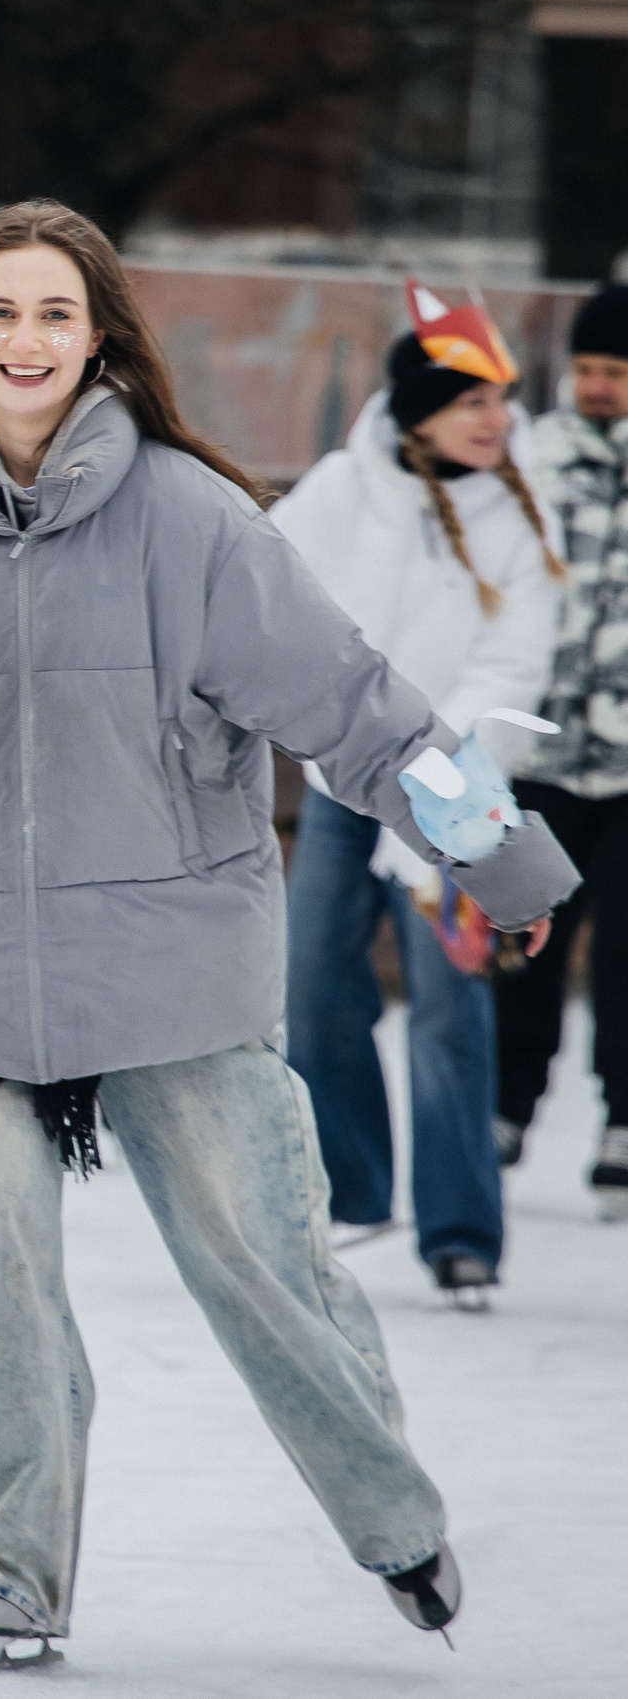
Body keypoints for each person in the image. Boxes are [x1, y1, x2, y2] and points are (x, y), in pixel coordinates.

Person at [0, 199, 579, 1667]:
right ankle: (14, 1566)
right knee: (7, 1283)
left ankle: (392, 1514)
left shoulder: (191, 518)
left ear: (102, 334)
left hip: (176, 965)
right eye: (2, 312)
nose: (26, 339)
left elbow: (360, 709)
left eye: (57, 313)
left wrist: (498, 848)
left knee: (267, 1271)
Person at [277, 292, 563, 1302]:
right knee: (310, 982)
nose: (492, 419)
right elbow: (266, 598)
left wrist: (435, 782)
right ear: (416, 410)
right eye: (467, 401)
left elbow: (512, 662)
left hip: (456, 799)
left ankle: (459, 1230)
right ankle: (348, 1191)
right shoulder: (337, 492)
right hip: (336, 783)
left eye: (500, 400)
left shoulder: (520, 514)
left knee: (448, 1010)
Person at [496, 280, 628, 1217]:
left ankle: (623, 1120)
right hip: (542, 753)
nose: (596, 386)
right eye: (585, 368)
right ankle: (506, 1106)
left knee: (625, 952)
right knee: (530, 941)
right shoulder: (535, 459)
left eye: (615, 371)